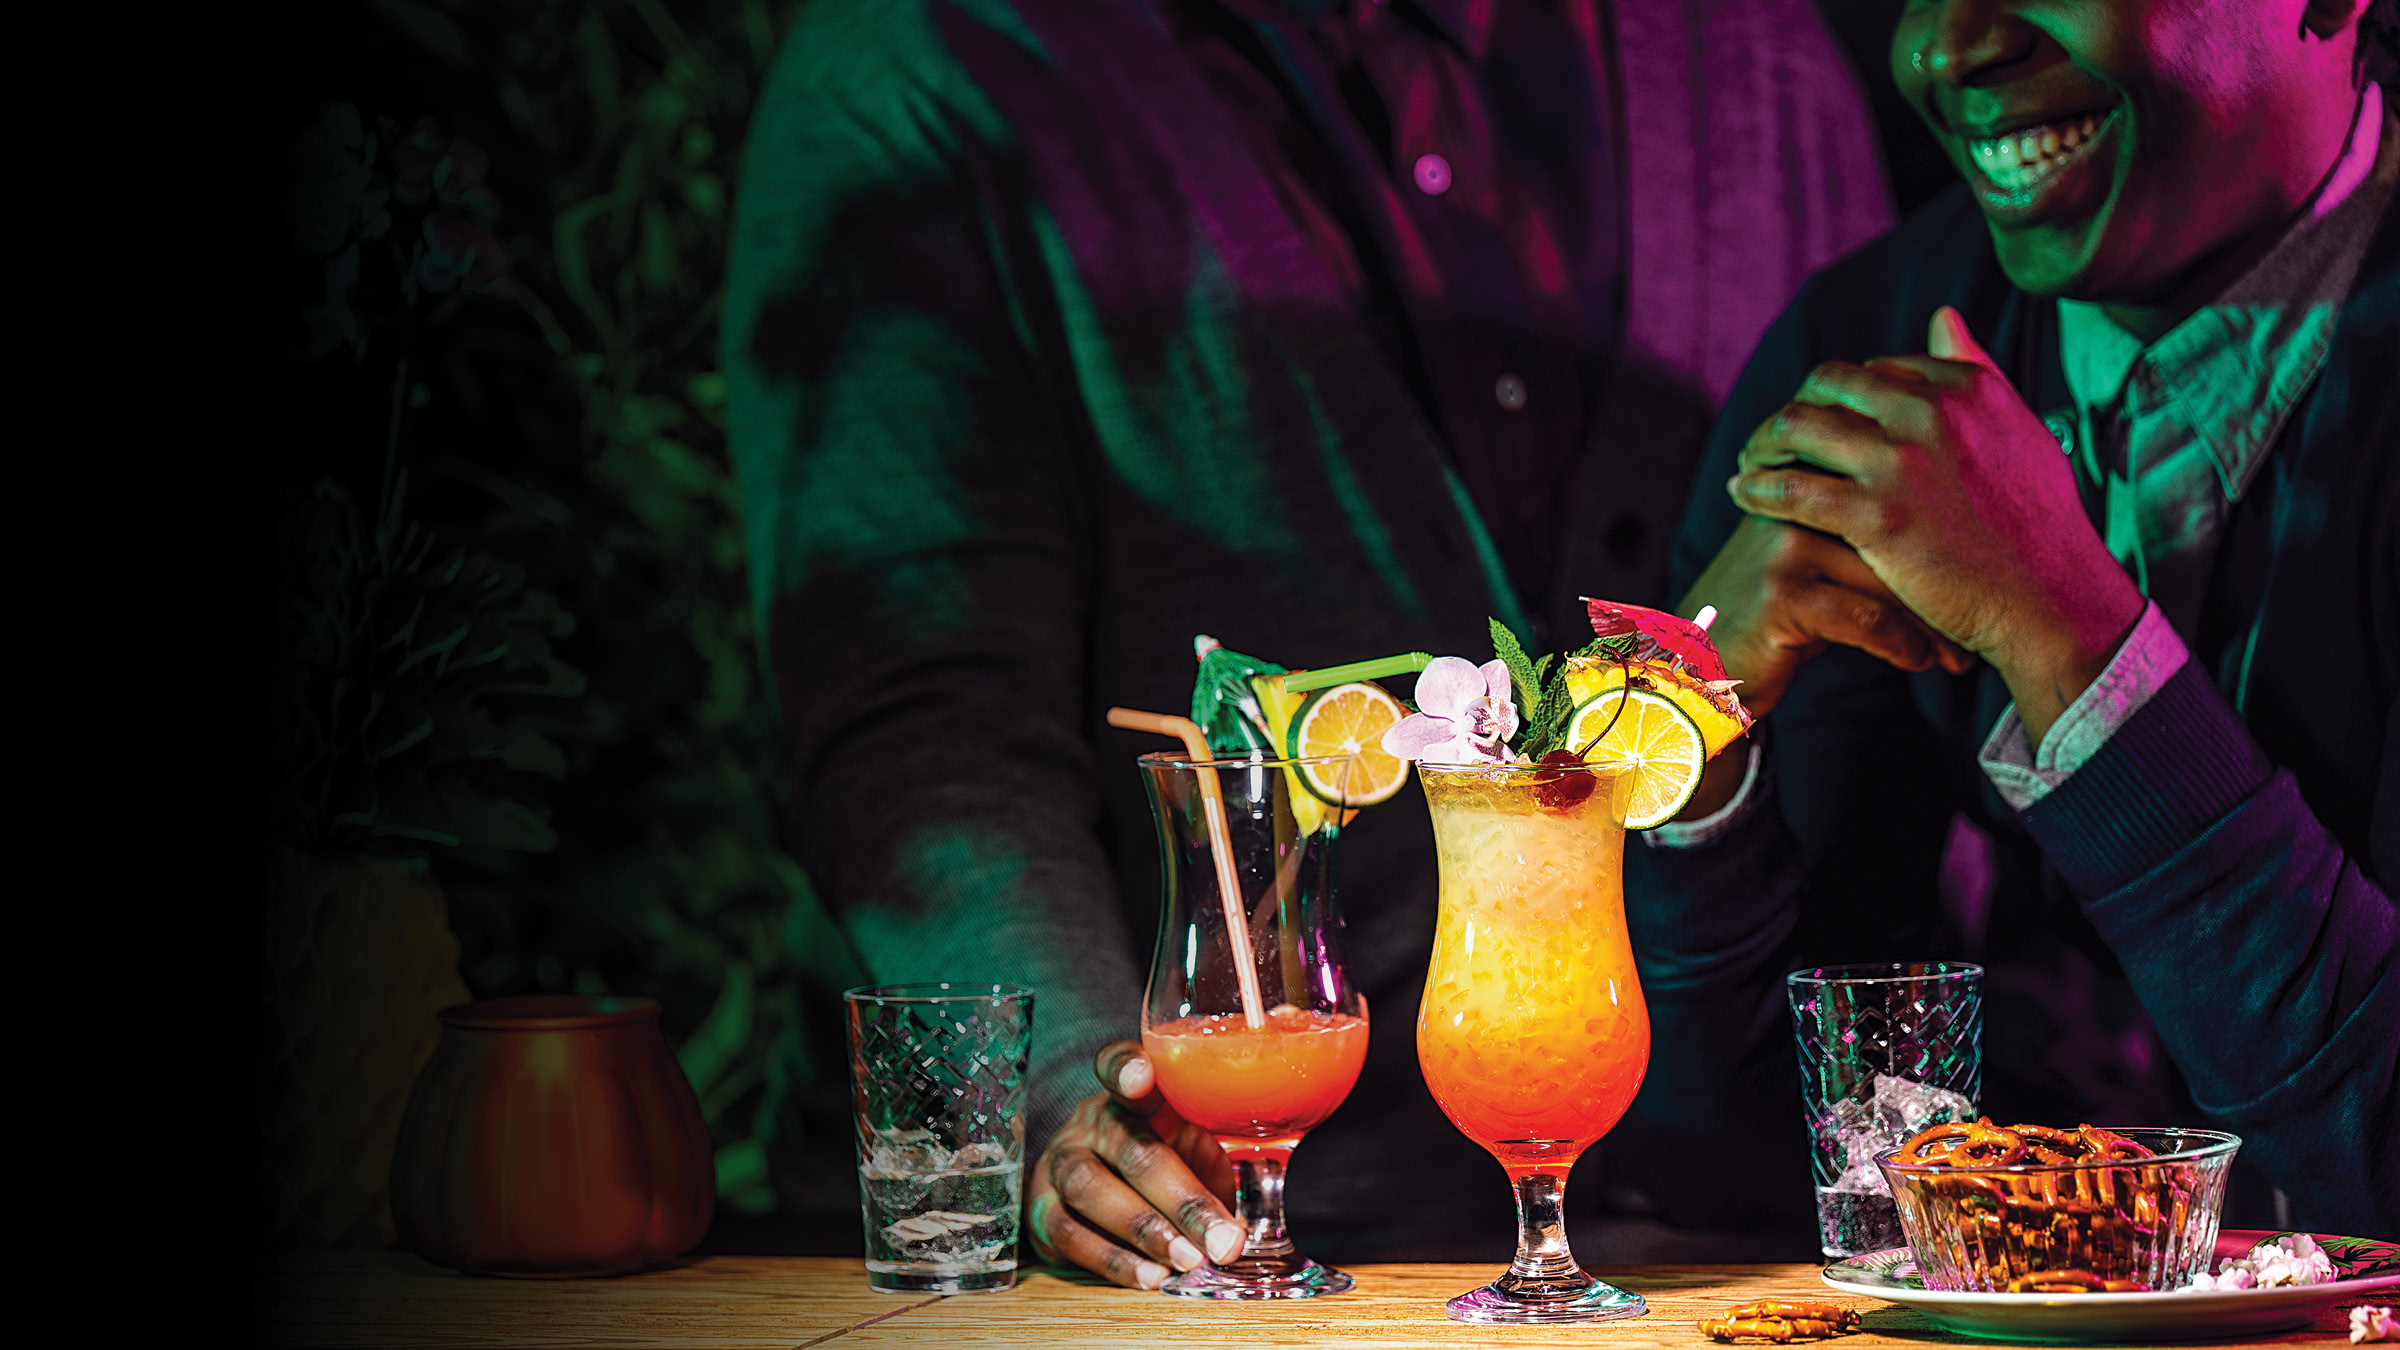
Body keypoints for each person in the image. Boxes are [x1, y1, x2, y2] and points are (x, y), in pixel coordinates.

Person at [727, 0, 1894, 1283]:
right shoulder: (924, 66)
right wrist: (1072, 1086)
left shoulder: (1767, 60)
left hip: (1748, 1257)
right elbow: (924, 706)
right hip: (1226, 1270)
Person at [1625, 0, 2398, 1233]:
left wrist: (2072, 639)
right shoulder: (1866, 350)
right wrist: (1691, 745)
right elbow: (1756, 1158)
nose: (1950, 44)